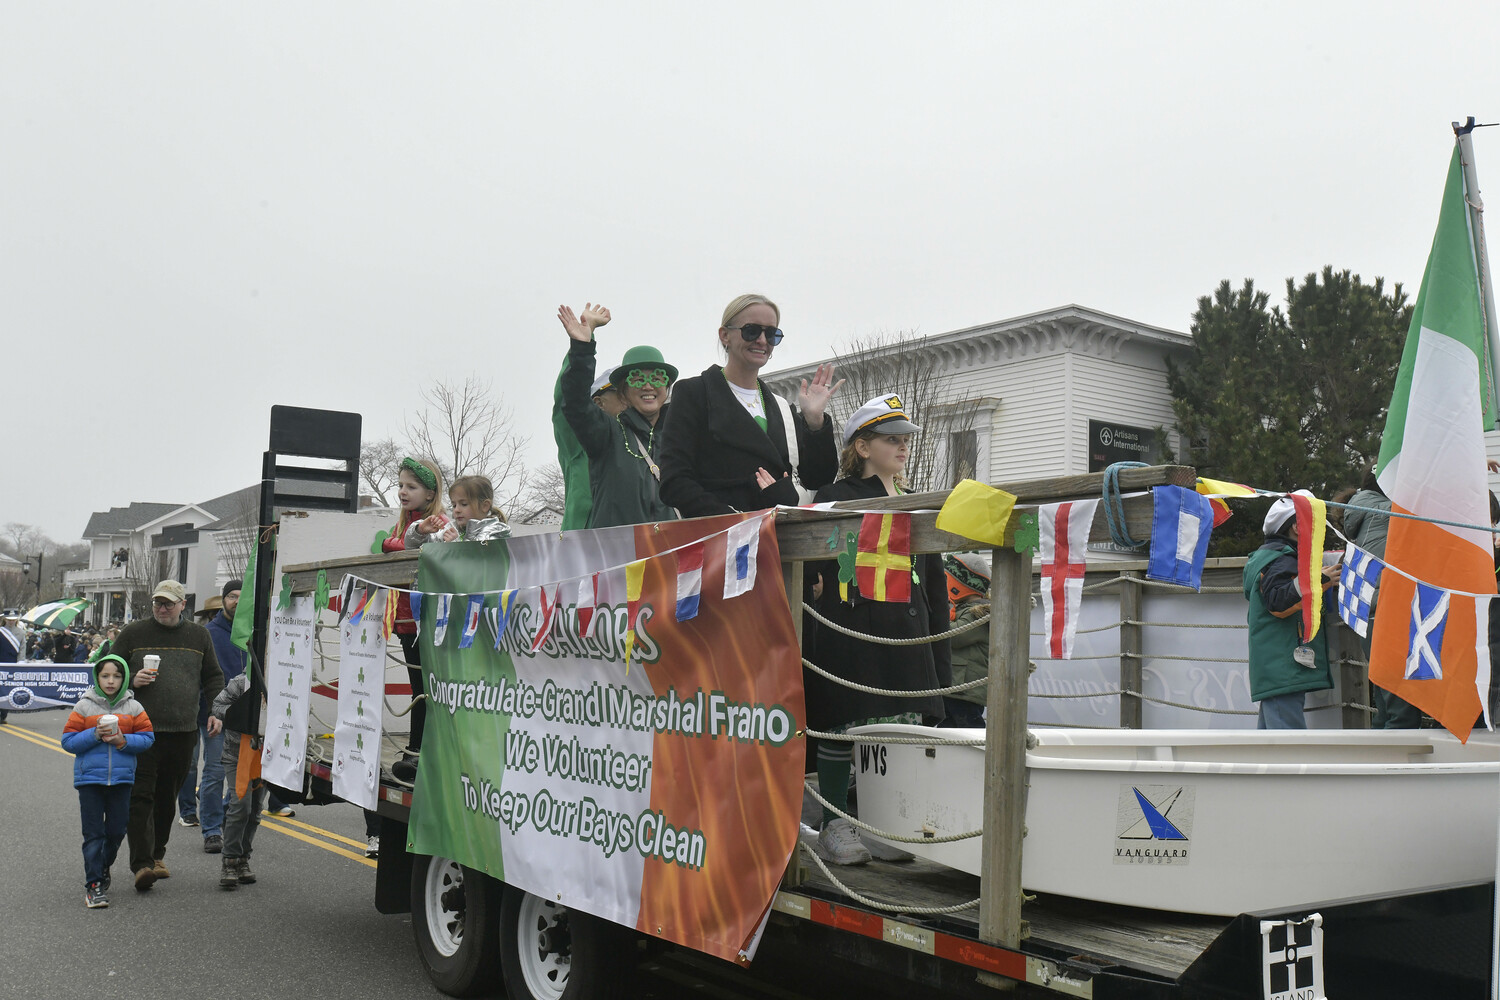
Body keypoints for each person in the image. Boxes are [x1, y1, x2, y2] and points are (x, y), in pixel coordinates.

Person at [804, 395, 952, 865]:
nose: (903, 447)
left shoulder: (916, 503)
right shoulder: (835, 498)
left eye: (906, 439)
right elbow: (815, 558)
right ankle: (834, 825)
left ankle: (882, 823)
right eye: (892, 440)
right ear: (863, 447)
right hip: (851, 629)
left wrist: (937, 647)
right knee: (843, 726)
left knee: (896, 732)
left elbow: (932, 581)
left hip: (907, 633)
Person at [658, 293, 842, 517]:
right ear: (725, 335)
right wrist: (737, 520)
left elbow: (818, 479)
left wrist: (814, 421)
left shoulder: (781, 406)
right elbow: (675, 481)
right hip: (722, 539)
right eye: (751, 330)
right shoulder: (694, 393)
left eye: (772, 333)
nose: (762, 341)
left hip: (781, 539)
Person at [111, 579, 225, 891]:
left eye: (169, 603)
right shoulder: (133, 633)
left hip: (183, 731)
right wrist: (132, 681)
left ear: (182, 605)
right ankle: (142, 864)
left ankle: (157, 855)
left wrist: (216, 710)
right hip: (140, 731)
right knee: (140, 796)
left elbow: (213, 676)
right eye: (158, 603)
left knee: (166, 798)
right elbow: (107, 670)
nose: (163, 608)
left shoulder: (198, 635)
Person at [555, 303, 679, 528]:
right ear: (623, 393)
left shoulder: (679, 439)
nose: (648, 386)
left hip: (670, 557)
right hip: (618, 558)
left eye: (658, 378)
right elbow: (575, 403)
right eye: (637, 379)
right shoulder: (607, 434)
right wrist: (582, 347)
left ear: (667, 387)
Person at [62, 654, 155, 908]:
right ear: (97, 677)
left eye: (116, 676)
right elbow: (68, 741)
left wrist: (123, 741)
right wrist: (94, 734)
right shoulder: (84, 706)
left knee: (116, 831)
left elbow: (148, 739)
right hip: (90, 781)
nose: (111, 681)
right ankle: (93, 885)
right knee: (93, 834)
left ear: (125, 679)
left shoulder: (134, 708)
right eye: (105, 676)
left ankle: (103, 866)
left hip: (122, 781)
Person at [1243, 492, 1337, 729]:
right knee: (1289, 745)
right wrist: (1319, 580)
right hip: (1283, 667)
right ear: (1297, 526)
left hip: (1278, 667)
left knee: (1273, 745)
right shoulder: (1283, 560)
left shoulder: (1271, 558)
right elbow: (1277, 602)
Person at [382, 458, 444, 778]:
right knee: (418, 688)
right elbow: (392, 543)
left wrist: (395, 542)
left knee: (427, 688)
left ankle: (420, 751)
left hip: (429, 621)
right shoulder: (405, 524)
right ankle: (415, 751)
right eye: (401, 485)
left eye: (412, 487)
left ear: (431, 494)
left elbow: (414, 546)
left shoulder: (436, 523)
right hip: (408, 621)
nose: (403, 492)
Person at [552, 304, 627, 530]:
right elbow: (566, 400)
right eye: (620, 392)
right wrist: (582, 343)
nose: (630, 397)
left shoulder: (642, 442)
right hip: (582, 551)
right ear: (597, 401)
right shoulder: (578, 444)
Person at [210, 661, 266, 890]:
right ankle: (229, 860)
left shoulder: (283, 684)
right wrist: (241, 714)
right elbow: (218, 706)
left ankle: (243, 859)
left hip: (265, 757)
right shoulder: (241, 682)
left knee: (254, 811)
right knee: (240, 804)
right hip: (237, 754)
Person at [942, 553, 991, 728]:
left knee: (968, 729)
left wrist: (937, 616)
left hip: (965, 691)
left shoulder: (978, 614)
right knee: (948, 729)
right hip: (957, 688)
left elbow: (953, 637)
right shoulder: (965, 611)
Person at [407, 474, 511, 545]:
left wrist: (455, 545)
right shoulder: (450, 529)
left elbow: (480, 562)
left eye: (464, 504)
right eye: (454, 505)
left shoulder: (496, 532)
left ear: (485, 506)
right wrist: (420, 531)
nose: (456, 510)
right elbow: (413, 548)